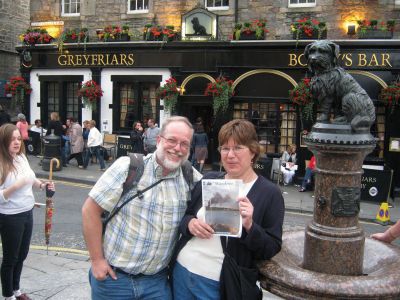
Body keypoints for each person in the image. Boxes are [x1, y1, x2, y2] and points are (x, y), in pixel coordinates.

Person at [82, 116, 202, 300]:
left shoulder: (189, 176)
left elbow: (217, 194)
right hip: (115, 281)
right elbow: (90, 210)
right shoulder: (128, 167)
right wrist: (97, 261)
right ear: (159, 140)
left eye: (184, 144)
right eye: (172, 140)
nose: (177, 148)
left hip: (157, 284)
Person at [172, 119, 284, 300]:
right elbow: (186, 217)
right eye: (225, 148)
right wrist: (190, 224)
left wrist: (249, 225)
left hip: (219, 284)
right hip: (181, 273)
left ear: (253, 152)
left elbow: (271, 248)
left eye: (238, 148)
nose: (230, 155)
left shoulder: (269, 193)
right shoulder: (210, 179)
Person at [0, 124, 55, 300]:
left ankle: (16, 290)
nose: (16, 142)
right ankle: (8, 296)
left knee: (22, 255)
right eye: (12, 139)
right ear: (3, 141)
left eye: (18, 138)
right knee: (10, 258)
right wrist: (16, 185)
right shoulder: (1, 163)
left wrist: (42, 184)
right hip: (10, 216)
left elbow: (31, 179)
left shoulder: (21, 158)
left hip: (27, 212)